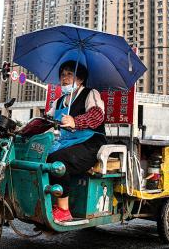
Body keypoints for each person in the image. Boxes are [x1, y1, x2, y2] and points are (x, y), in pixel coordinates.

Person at [47, 60, 107, 222]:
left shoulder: (90, 93)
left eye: (69, 74)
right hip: (67, 143)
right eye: (62, 75)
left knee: (58, 161)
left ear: (80, 79)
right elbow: (46, 121)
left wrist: (75, 121)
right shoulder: (59, 102)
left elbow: (96, 115)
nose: (64, 78)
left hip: (90, 144)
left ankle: (63, 209)